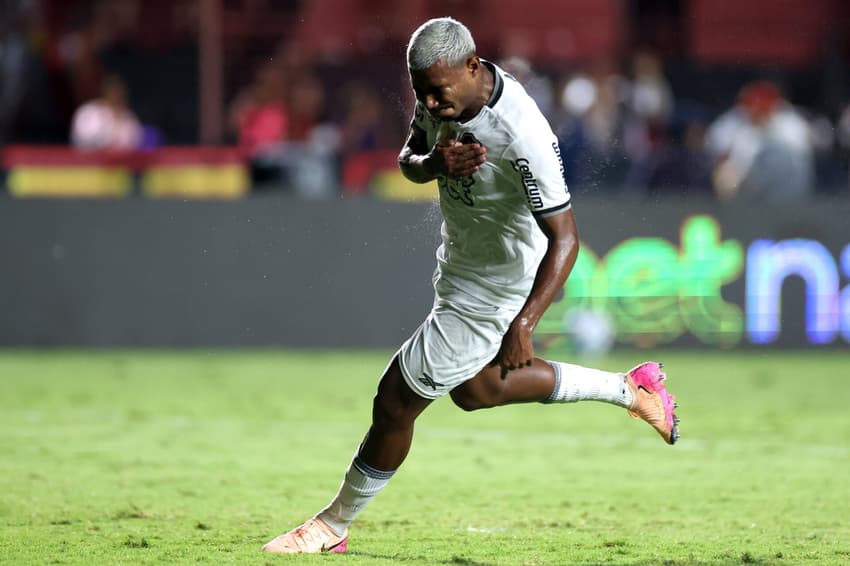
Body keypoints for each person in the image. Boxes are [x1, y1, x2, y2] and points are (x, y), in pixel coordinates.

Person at [262, 18, 680, 555]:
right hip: (460, 265)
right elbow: (408, 161)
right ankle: (632, 390)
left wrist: (524, 323)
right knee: (476, 390)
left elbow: (567, 239)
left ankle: (331, 527)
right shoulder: (439, 94)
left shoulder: (521, 131)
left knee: (395, 399)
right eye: (422, 94)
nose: (432, 105)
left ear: (473, 66)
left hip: (497, 283)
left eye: (438, 93)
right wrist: (432, 162)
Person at [70, 74, 141, 151]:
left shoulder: (129, 118)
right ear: (105, 93)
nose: (116, 98)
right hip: (89, 161)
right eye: (113, 93)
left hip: (120, 162)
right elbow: (82, 141)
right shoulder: (88, 112)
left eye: (119, 95)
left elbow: (135, 145)